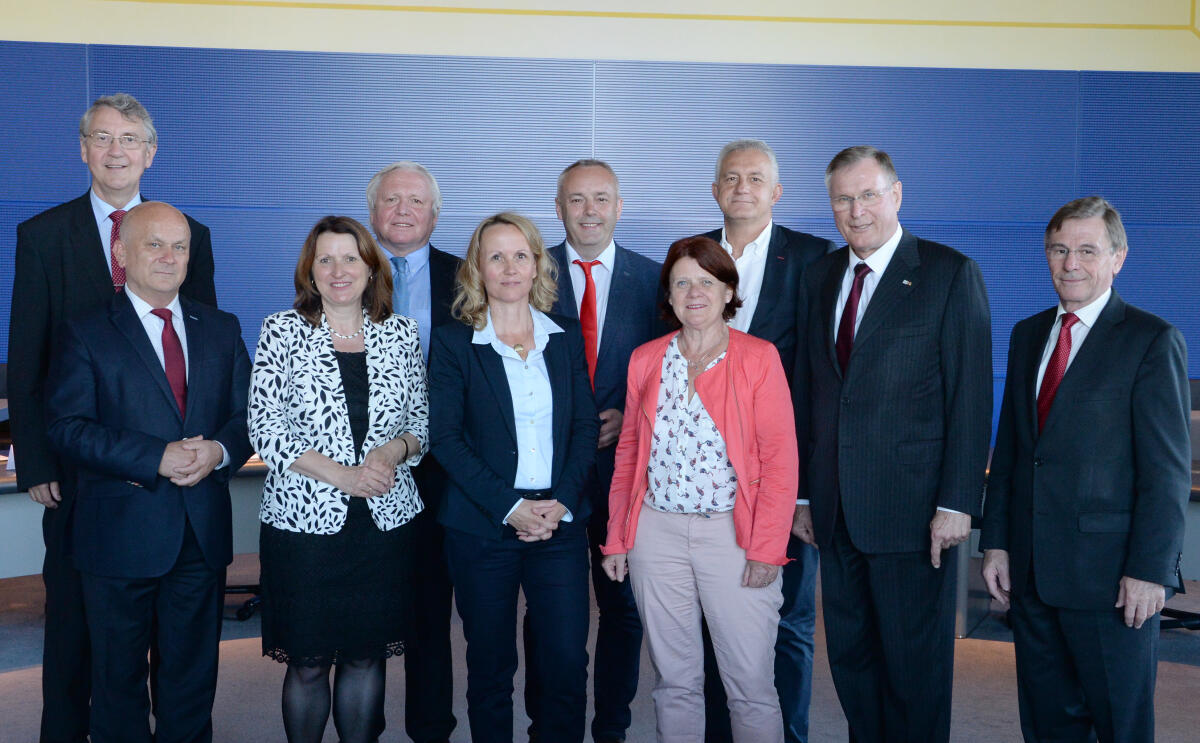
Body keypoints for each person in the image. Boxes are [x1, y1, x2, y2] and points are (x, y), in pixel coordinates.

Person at [8, 93, 216, 743]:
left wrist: (199, 448)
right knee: (74, 628)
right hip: (77, 472)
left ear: (150, 153)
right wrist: (36, 459)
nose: (117, 150)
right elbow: (27, 354)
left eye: (130, 139)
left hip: (170, 469)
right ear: (83, 149)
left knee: (169, 639)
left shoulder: (190, 234)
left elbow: (201, 349)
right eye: (103, 137)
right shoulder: (42, 236)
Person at [793, 145, 992, 742]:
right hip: (836, 510)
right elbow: (809, 390)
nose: (856, 210)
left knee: (915, 669)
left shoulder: (948, 273)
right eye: (843, 198)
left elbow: (971, 396)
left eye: (868, 195)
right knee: (852, 665)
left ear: (897, 194)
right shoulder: (820, 275)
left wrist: (958, 502)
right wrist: (804, 495)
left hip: (915, 514)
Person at [980, 197, 1190, 743]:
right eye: (1059, 249)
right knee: (1048, 724)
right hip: (1031, 574)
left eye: (1087, 250)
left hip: (1111, 581)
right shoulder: (1028, 335)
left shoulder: (1150, 339)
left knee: (1119, 724)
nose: (1071, 262)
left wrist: (1150, 569)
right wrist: (997, 543)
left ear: (1118, 258)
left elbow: (1165, 471)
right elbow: (1012, 453)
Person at [44, 201, 250, 743]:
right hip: (117, 536)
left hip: (199, 533)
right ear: (121, 253)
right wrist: (152, 456)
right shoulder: (84, 331)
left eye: (179, 246)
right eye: (153, 244)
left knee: (190, 684)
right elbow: (66, 426)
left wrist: (219, 453)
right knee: (117, 685)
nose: (169, 256)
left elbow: (248, 415)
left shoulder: (222, 328)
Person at [601, 235, 799, 743]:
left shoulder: (758, 358)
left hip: (732, 538)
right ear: (667, 295)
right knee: (675, 682)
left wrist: (767, 549)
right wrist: (620, 536)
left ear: (728, 290)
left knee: (750, 685)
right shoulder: (646, 359)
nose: (694, 292)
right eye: (681, 282)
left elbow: (780, 461)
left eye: (706, 282)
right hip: (655, 536)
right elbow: (629, 455)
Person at [248, 215, 429, 743]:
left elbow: (420, 424)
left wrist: (394, 450)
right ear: (310, 270)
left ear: (372, 268)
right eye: (324, 259)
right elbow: (266, 428)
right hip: (304, 529)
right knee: (307, 663)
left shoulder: (401, 333)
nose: (338, 269)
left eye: (350, 257)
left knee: (365, 658)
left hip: (383, 525)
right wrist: (343, 476)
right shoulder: (281, 329)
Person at [428, 212, 598, 743]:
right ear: (478, 266)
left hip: (559, 524)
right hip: (483, 527)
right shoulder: (455, 343)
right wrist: (511, 507)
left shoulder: (564, 338)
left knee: (567, 661)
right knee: (491, 665)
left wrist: (560, 502)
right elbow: (446, 439)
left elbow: (585, 425)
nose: (508, 266)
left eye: (520, 255)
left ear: (536, 265)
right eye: (495, 255)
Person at [696, 139, 834, 743]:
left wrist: (805, 488)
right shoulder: (692, 258)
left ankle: (789, 735)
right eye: (731, 177)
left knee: (790, 620)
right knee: (712, 622)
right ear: (716, 189)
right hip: (702, 476)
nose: (742, 187)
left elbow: (822, 375)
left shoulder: (816, 259)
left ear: (776, 192)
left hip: (783, 473)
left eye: (756, 178)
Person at [522, 158, 661, 743]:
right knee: (552, 618)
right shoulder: (528, 272)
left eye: (601, 198)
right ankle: (550, 730)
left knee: (623, 609)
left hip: (626, 472)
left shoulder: (656, 280)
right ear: (558, 209)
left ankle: (612, 727)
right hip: (546, 471)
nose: (589, 211)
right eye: (576, 200)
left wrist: (632, 417)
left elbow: (670, 370)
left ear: (619, 206)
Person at [366, 161, 459, 743]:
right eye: (391, 200)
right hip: (364, 469)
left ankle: (431, 729)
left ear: (434, 213)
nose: (403, 210)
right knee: (368, 610)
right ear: (374, 211)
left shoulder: (468, 274)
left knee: (430, 610)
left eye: (415, 201)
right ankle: (362, 726)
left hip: (444, 470)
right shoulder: (344, 269)